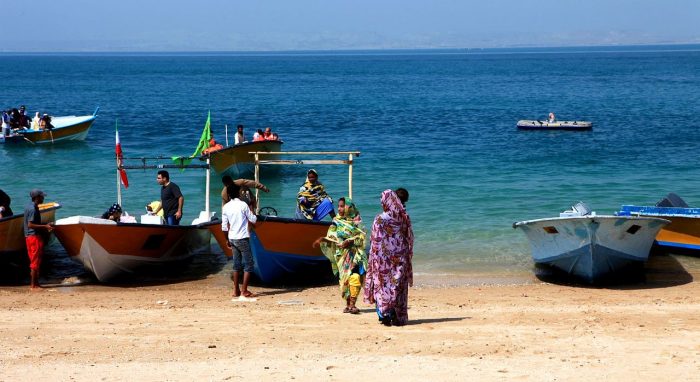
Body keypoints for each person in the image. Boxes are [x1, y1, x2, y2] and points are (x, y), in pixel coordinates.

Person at [364, 189, 414, 326]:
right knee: (398, 285)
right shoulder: (404, 216)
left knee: (382, 285)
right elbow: (408, 237)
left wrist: (372, 258)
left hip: (382, 259)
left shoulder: (379, 219)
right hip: (400, 257)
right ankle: (398, 316)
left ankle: (385, 313)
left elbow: (374, 241)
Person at [313, 197, 367, 314]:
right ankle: (348, 304)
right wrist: (323, 239)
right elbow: (332, 236)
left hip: (355, 255)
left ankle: (353, 304)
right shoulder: (336, 221)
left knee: (355, 277)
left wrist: (351, 241)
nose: (339, 208)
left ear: (349, 207)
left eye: (342, 206)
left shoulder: (357, 221)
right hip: (341, 256)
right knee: (344, 281)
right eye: (338, 206)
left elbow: (362, 238)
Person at [221, 183, 258, 299]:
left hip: (232, 237)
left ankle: (236, 290)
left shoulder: (226, 207)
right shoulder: (243, 205)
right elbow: (252, 219)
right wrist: (254, 213)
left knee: (236, 265)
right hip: (242, 237)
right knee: (249, 264)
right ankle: (244, 291)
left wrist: (226, 239)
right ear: (238, 193)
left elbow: (224, 227)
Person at [24, 189, 54, 289]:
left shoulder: (29, 206)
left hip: (29, 237)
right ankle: (33, 285)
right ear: (36, 197)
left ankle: (36, 284)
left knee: (35, 260)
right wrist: (45, 227)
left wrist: (45, 225)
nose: (43, 198)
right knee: (35, 262)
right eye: (41, 197)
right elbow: (30, 224)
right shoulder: (33, 209)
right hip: (33, 237)